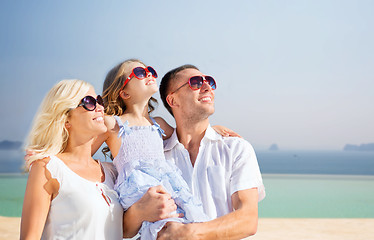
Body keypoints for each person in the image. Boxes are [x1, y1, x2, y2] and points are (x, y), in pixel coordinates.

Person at [92, 59, 234, 239]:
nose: (149, 74)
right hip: (139, 190)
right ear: (124, 92)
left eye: (150, 70)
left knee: (184, 222)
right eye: (141, 73)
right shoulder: (113, 123)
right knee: (163, 228)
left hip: (167, 185)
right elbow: (82, 151)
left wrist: (211, 130)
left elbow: (184, 133)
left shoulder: (157, 123)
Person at [125, 64, 266, 240]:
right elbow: (125, 227)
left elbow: (248, 220)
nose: (207, 87)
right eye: (196, 82)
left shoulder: (236, 149)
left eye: (210, 82)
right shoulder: (155, 157)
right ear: (173, 101)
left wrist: (189, 233)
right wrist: (138, 211)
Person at [20, 79, 124, 239]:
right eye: (89, 102)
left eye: (99, 100)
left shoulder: (112, 171)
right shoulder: (47, 168)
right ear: (66, 119)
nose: (100, 107)